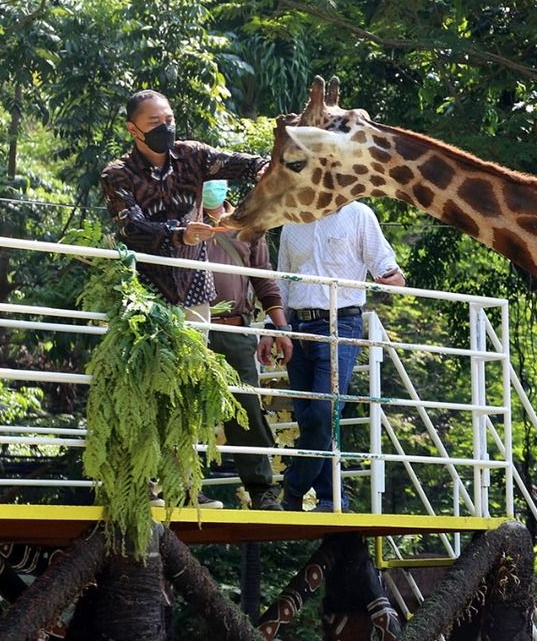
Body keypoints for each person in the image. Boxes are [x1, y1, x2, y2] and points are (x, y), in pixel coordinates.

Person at [100, 89, 269, 509]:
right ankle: (145, 487)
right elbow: (130, 227)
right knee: (149, 387)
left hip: (194, 288)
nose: (166, 128)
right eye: (156, 122)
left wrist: (270, 165)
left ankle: (186, 488)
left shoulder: (193, 155)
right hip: (144, 293)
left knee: (189, 390)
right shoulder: (117, 173)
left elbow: (245, 163)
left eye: (169, 118)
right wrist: (179, 232)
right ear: (133, 128)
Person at [277, 200, 406, 512]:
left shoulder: (359, 215)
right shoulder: (292, 217)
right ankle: (331, 497)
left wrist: (391, 281)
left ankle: (292, 490)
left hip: (340, 321)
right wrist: (275, 327)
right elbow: (281, 278)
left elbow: (391, 273)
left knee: (323, 412)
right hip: (296, 324)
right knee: (309, 417)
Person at [202, 180, 294, 510]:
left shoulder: (248, 225)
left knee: (246, 410)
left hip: (236, 330)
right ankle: (184, 484)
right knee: (184, 406)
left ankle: (261, 490)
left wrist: (281, 327)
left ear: (227, 188)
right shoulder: (183, 221)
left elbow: (264, 279)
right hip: (193, 327)